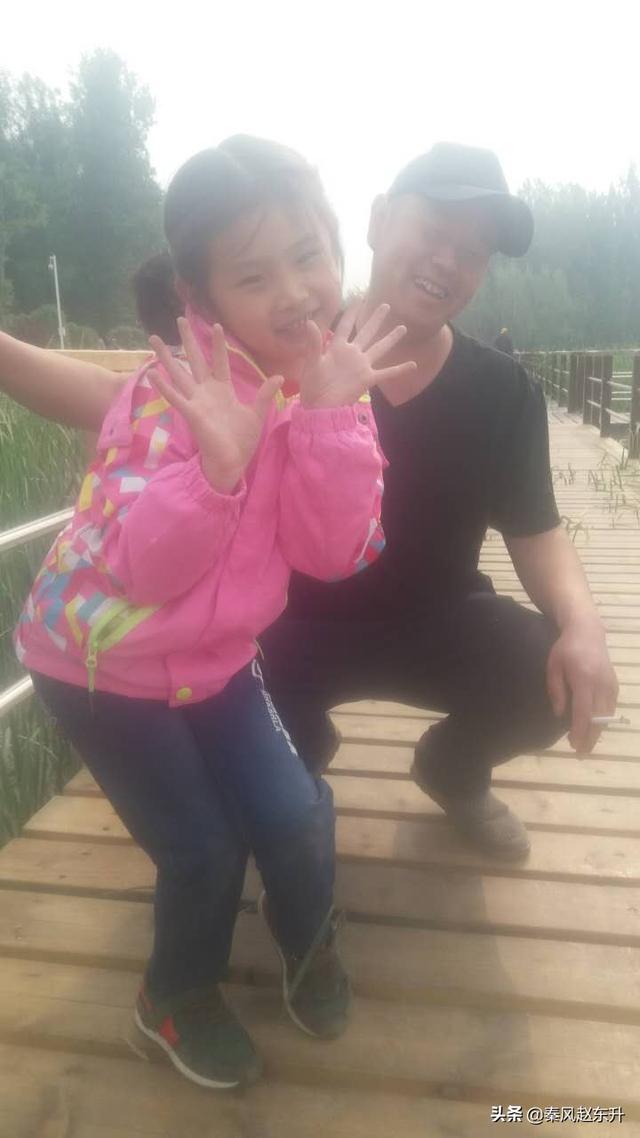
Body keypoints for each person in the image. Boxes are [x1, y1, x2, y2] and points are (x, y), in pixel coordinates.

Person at [0, 141, 618, 866]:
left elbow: (538, 530)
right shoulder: (278, 348)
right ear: (377, 220)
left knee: (548, 670)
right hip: (284, 630)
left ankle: (452, 770)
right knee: (256, 790)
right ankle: (298, 767)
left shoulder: (503, 391)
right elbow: (120, 396)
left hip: (438, 617)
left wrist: (584, 625)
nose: (448, 260)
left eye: (473, 250)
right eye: (433, 231)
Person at [11, 135, 415, 1091]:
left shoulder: (332, 386)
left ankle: (308, 937)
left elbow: (330, 553)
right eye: (253, 275)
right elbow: (143, 571)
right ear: (202, 298)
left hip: (219, 657)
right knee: (201, 849)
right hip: (102, 665)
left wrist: (327, 420)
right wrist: (218, 471)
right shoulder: (169, 396)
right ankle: (173, 997)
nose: (296, 292)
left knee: (294, 811)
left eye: (309, 255)